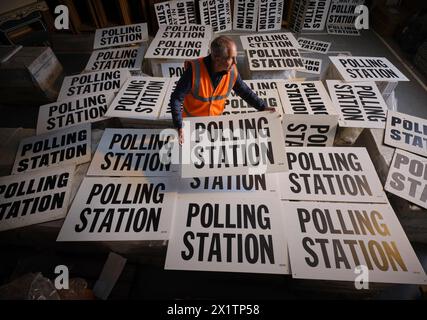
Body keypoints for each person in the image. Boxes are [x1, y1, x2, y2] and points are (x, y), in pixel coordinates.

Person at [169, 35, 275, 144]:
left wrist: (263, 107)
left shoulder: (232, 72)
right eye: (231, 58)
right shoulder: (194, 71)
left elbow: (246, 93)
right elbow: (176, 99)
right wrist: (179, 125)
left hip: (214, 126)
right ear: (217, 59)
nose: (236, 62)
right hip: (192, 126)